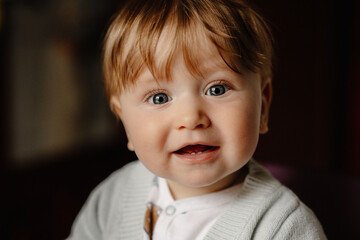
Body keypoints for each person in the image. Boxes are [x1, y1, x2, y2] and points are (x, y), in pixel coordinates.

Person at [68, 0, 327, 239]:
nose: (191, 118)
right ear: (124, 120)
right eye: (159, 98)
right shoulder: (113, 198)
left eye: (217, 89)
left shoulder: (282, 227)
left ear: (262, 107)